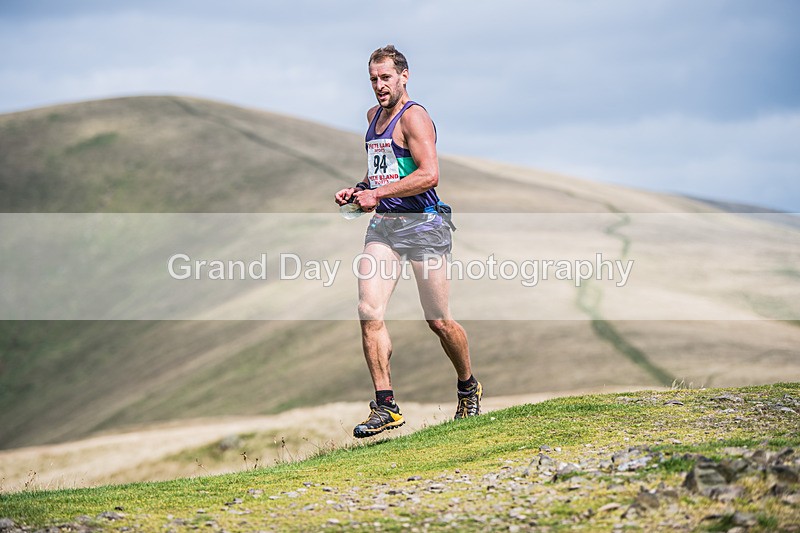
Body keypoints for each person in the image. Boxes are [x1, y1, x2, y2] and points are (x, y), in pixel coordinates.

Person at [334, 45, 482, 438]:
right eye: (373, 79)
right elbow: (381, 175)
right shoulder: (372, 117)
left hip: (424, 226)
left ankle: (468, 387)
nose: (379, 85)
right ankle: (386, 406)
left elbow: (429, 174)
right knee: (368, 309)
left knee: (438, 320)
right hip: (384, 227)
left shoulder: (415, 117)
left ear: (404, 76)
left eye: (386, 77)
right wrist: (359, 190)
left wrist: (377, 194)